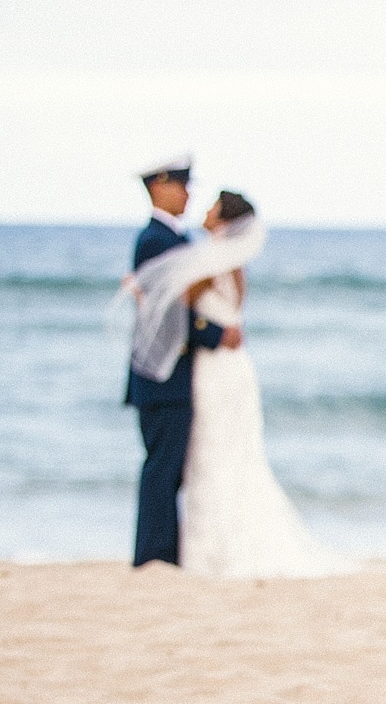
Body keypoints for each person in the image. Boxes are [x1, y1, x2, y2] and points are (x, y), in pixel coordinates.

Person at [176, 190, 352, 577]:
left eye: (212, 207)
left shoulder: (211, 257)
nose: (205, 212)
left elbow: (182, 301)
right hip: (236, 365)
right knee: (235, 451)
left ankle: (210, 551)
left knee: (212, 449)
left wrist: (145, 289)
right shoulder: (235, 262)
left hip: (214, 366)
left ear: (224, 219)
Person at [124, 153, 239, 566]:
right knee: (162, 468)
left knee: (168, 468)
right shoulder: (156, 240)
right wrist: (214, 334)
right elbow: (170, 311)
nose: (188, 194)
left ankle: (163, 553)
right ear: (160, 186)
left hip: (173, 375)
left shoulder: (171, 238)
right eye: (182, 185)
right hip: (163, 377)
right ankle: (154, 556)